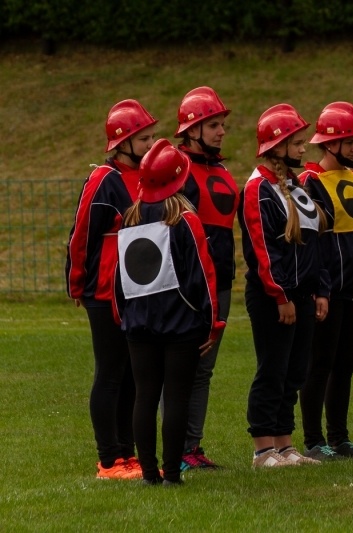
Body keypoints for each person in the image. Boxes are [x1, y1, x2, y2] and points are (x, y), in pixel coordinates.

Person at [114, 138, 226, 486]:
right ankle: (173, 474)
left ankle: (149, 474)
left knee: (145, 396)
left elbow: (118, 278)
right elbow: (204, 276)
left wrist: (123, 318)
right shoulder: (186, 220)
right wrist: (211, 323)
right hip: (182, 326)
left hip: (138, 326)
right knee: (176, 396)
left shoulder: (129, 219)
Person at [65, 99, 157, 480]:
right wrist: (78, 284)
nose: (152, 145)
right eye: (145, 139)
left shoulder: (148, 178)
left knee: (135, 375)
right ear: (123, 142)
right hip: (104, 295)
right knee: (111, 374)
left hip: (138, 294)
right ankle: (108, 460)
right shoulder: (104, 179)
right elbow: (81, 234)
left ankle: (128, 454)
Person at [239, 104, 329, 468]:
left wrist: (319, 288)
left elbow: (315, 241)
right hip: (274, 297)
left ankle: (285, 444)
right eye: (297, 142)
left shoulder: (296, 185)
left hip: (303, 294)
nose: (304, 148)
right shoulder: (257, 189)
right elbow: (263, 250)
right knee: (272, 368)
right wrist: (280, 296)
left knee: (295, 370)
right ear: (277, 145)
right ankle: (263, 449)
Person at [299, 102, 353, 460]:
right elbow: (313, 243)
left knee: (345, 366)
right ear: (331, 144)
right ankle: (314, 441)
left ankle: (340, 438)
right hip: (327, 291)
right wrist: (319, 289)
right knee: (320, 365)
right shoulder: (309, 183)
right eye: (351, 142)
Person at [174, 86, 239, 470]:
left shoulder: (222, 168)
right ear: (192, 129)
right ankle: (175, 447)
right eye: (213, 125)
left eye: (222, 125)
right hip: (188, 283)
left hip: (222, 281)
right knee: (181, 366)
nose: (221, 131)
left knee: (204, 369)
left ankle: (191, 447)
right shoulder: (178, 167)